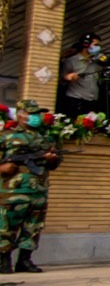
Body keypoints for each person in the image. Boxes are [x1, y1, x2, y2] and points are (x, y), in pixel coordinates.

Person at [0, 100, 62, 274]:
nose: (36, 117)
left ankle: (25, 260)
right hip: (12, 191)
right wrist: (3, 168)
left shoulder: (46, 139)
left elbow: (54, 164)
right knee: (6, 226)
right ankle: (3, 259)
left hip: (38, 190)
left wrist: (52, 159)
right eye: (32, 114)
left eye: (37, 114)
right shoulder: (5, 136)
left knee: (33, 227)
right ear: (20, 116)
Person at [60, 32, 104, 119]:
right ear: (86, 44)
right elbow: (62, 81)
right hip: (76, 100)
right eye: (96, 45)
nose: (98, 47)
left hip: (92, 100)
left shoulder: (98, 62)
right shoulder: (71, 61)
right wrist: (67, 77)